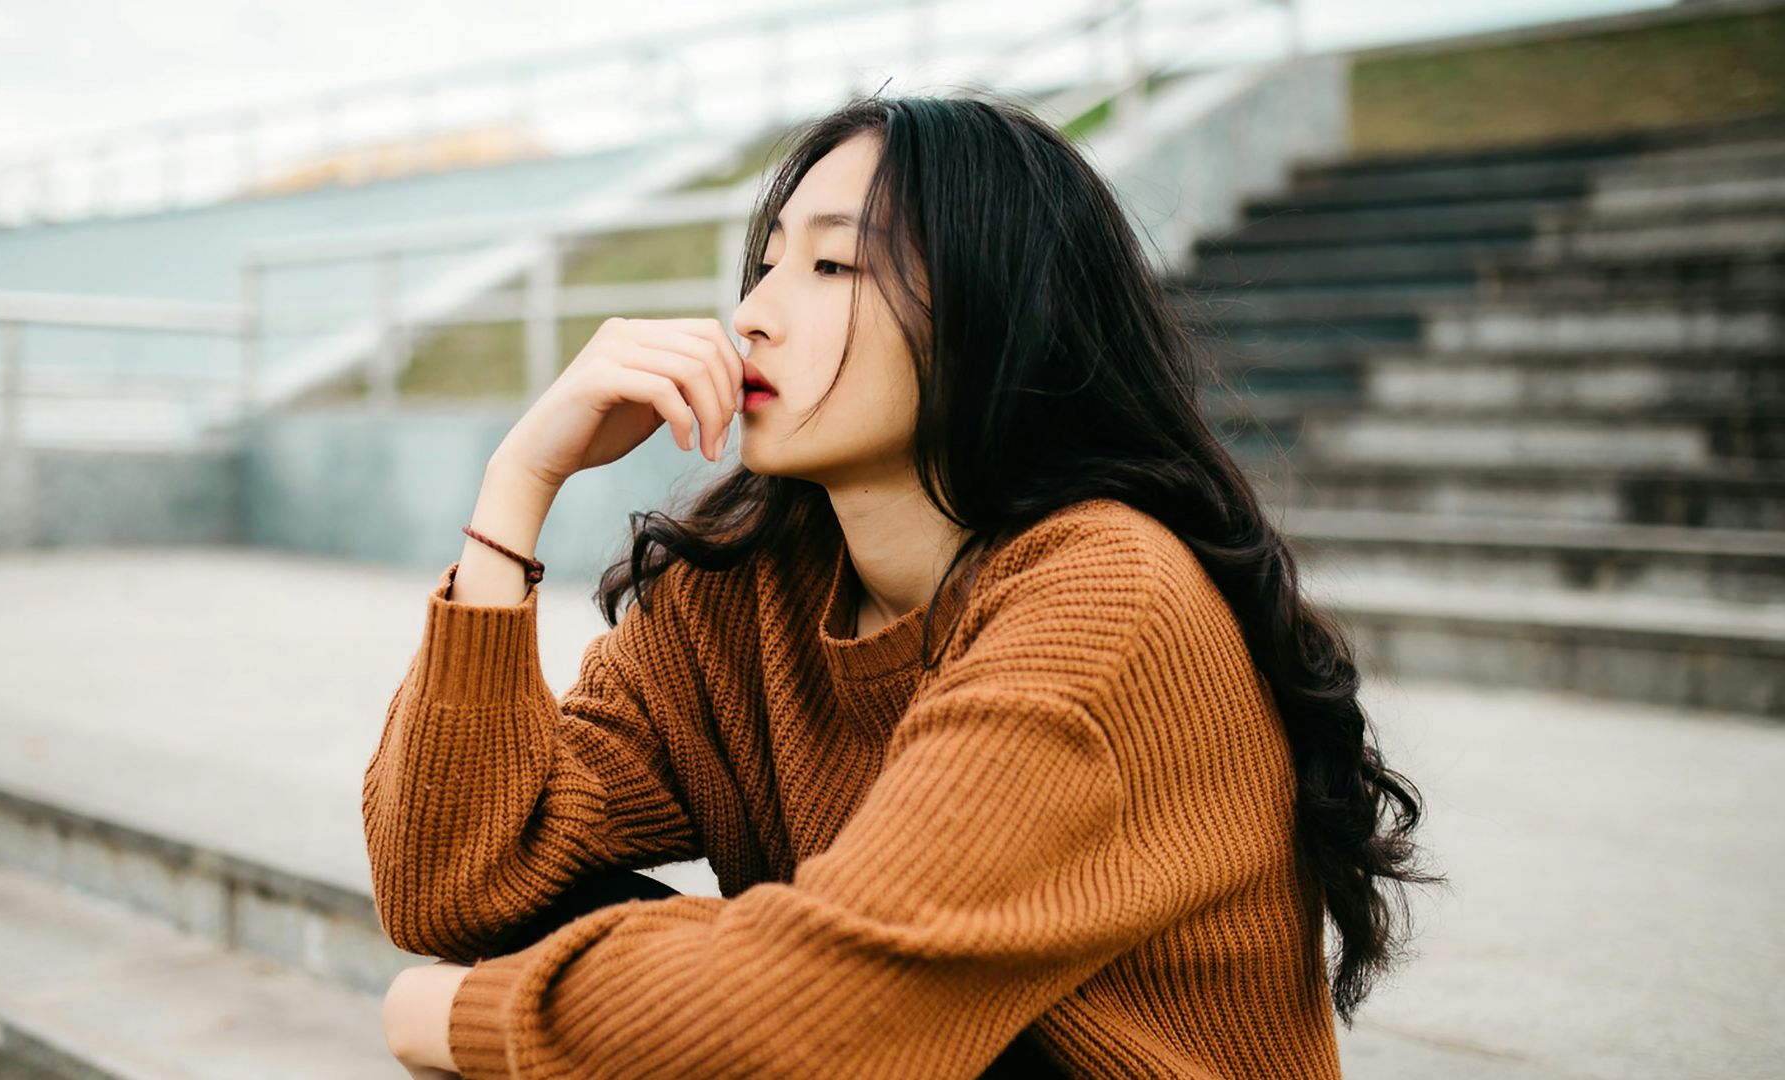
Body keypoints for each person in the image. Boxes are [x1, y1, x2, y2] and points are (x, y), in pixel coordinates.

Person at [367, 90, 1444, 1079]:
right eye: (768, 265)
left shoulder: (1105, 598)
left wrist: (458, 1021)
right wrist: (518, 486)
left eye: (833, 269)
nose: (753, 316)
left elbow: (824, 1015)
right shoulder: (745, 589)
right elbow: (453, 881)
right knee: (571, 929)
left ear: (992, 313)